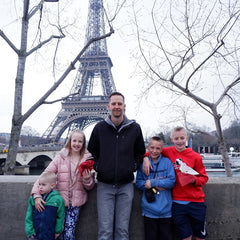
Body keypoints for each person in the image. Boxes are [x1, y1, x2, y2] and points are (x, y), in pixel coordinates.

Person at [87, 91, 146, 240]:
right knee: (105, 231)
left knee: (122, 231)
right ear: (108, 106)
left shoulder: (135, 128)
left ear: (124, 106)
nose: (117, 106)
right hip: (105, 186)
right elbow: (91, 152)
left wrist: (133, 166)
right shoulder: (99, 128)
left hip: (126, 185)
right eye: (114, 103)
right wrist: (99, 167)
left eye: (119, 103)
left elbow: (140, 152)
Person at [143, 126, 208, 240]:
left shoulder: (196, 157)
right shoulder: (168, 151)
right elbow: (153, 150)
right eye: (176, 138)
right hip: (177, 202)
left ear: (186, 138)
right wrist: (145, 158)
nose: (179, 141)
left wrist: (194, 180)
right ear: (172, 139)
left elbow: (204, 178)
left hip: (196, 201)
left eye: (182, 138)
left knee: (199, 236)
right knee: (185, 236)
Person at [31, 130, 95, 240]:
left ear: (84, 143)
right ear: (70, 141)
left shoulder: (87, 160)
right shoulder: (60, 157)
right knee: (57, 233)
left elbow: (90, 186)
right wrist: (36, 194)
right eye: (74, 140)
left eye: (80, 141)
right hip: (59, 202)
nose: (77, 144)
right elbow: (45, 175)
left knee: (69, 234)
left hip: (75, 204)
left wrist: (87, 179)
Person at [136, 136, 175, 240]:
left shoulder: (167, 162)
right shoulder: (143, 164)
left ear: (162, 149)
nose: (154, 151)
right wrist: (159, 184)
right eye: (152, 147)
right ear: (148, 148)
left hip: (166, 211)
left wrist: (153, 183)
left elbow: (171, 181)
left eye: (158, 148)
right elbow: (138, 182)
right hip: (149, 211)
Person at [25, 172, 65, 240]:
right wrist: (29, 231)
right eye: (39, 184)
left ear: (52, 185)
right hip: (34, 234)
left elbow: (60, 217)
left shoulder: (58, 200)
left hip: (49, 234)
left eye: (43, 185)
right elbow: (29, 216)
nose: (40, 187)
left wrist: (58, 231)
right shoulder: (33, 199)